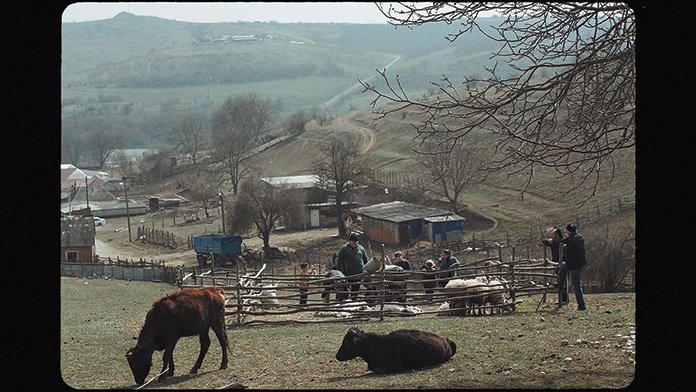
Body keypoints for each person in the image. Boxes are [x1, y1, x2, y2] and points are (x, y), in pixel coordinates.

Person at [559, 223, 587, 311]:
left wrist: (564, 248)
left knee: (576, 285)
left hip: (574, 265)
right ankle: (561, 283)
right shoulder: (579, 237)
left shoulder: (571, 240)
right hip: (579, 263)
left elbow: (569, 252)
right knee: (563, 267)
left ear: (568, 231)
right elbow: (566, 240)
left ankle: (582, 305)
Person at [335, 233, 369, 300]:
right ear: (350, 241)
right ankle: (344, 301)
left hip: (359, 273)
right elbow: (339, 261)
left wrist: (367, 269)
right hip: (348, 273)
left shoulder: (361, 248)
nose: (355, 243)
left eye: (356, 241)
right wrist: (338, 272)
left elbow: (365, 260)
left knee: (355, 289)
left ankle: (353, 301)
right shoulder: (344, 249)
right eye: (353, 241)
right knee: (346, 289)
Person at [542, 228, 568, 304]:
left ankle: (564, 299)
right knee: (559, 280)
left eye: (553, 234)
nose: (552, 236)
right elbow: (543, 241)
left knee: (563, 281)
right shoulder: (552, 243)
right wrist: (548, 240)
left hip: (563, 263)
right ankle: (562, 298)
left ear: (557, 235)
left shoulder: (563, 242)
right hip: (555, 263)